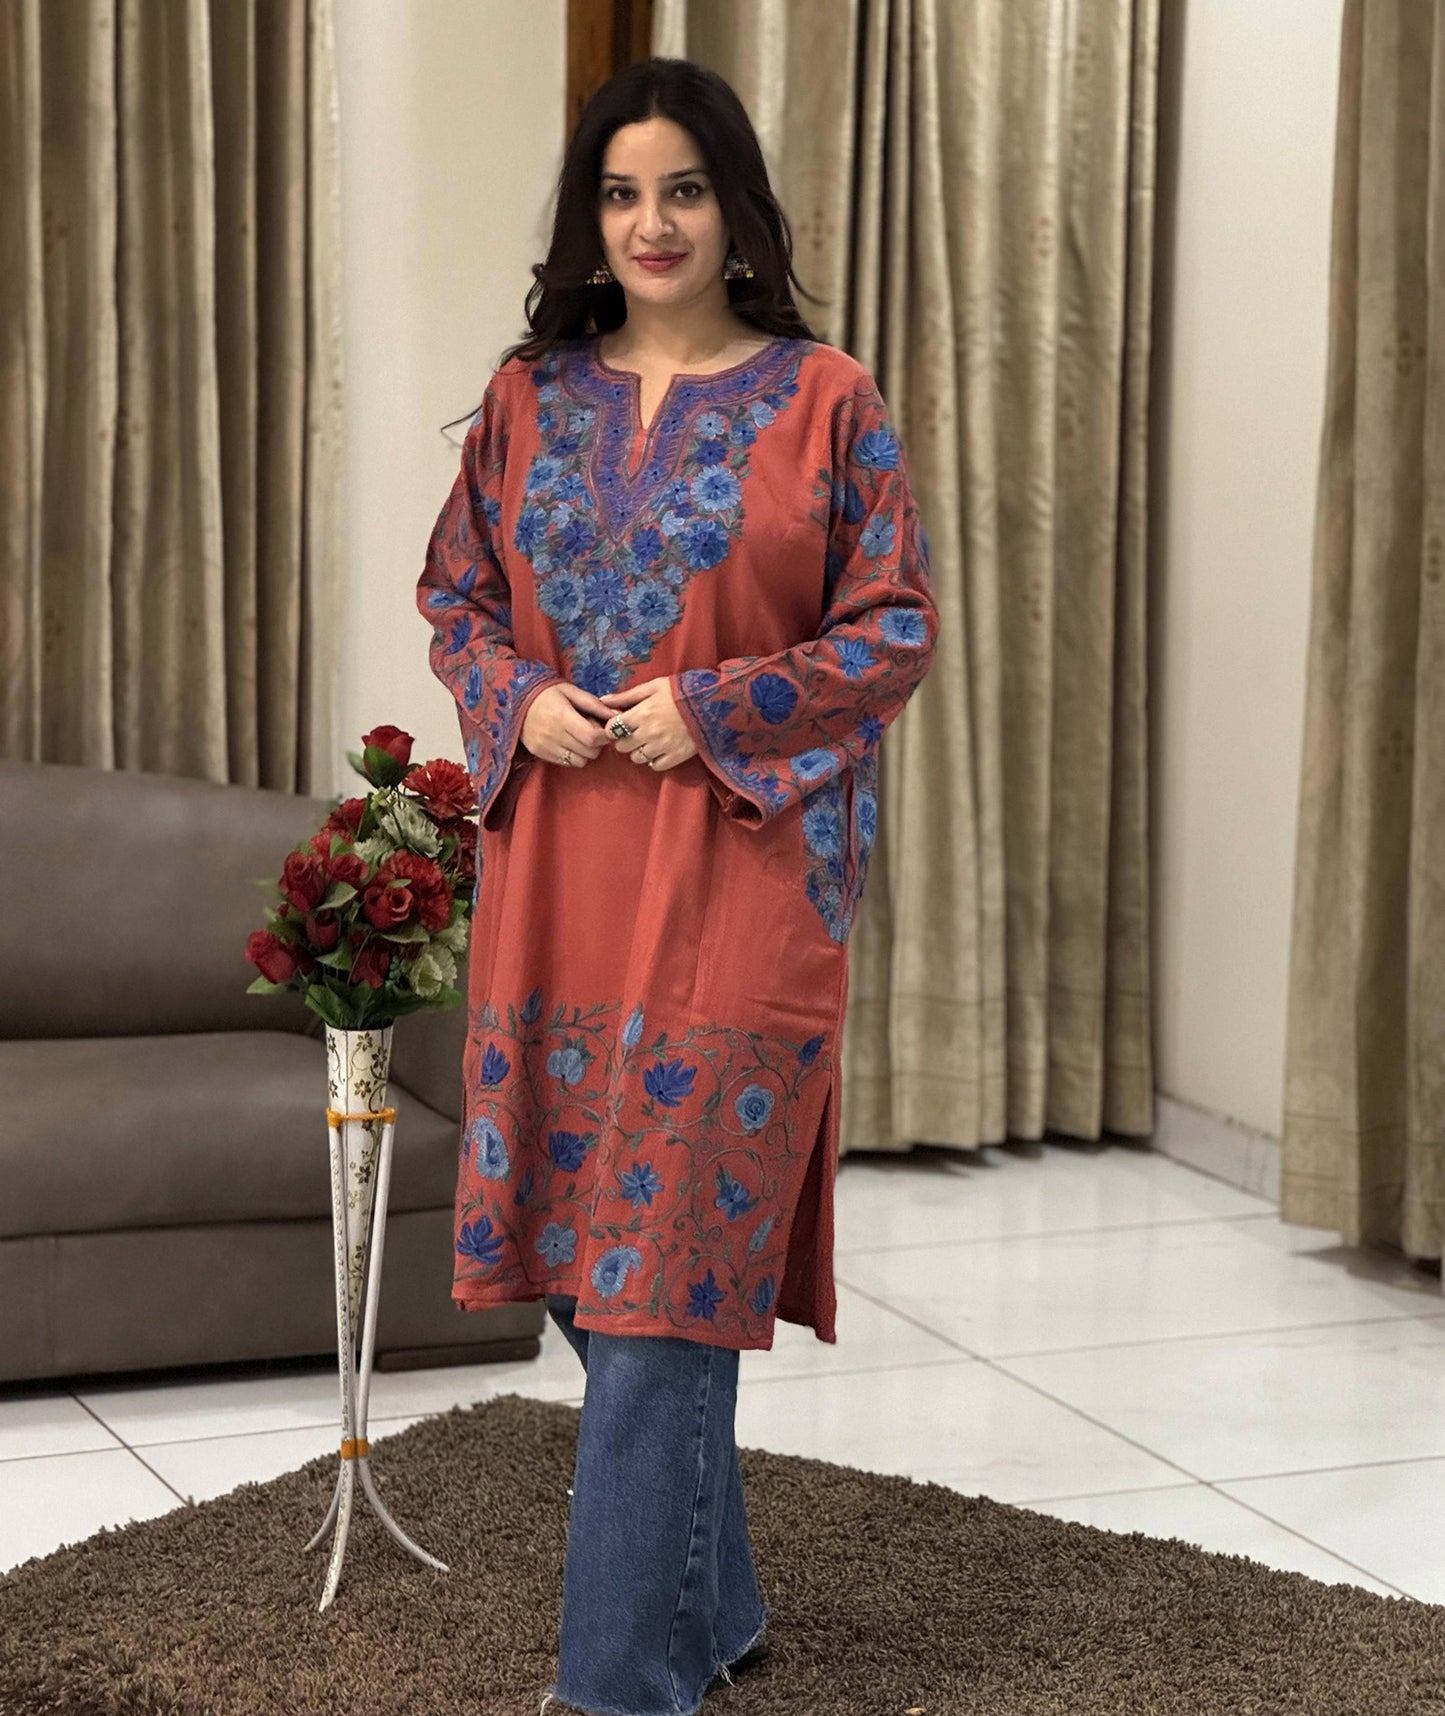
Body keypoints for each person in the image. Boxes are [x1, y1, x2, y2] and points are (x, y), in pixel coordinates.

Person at [416, 54, 939, 1716]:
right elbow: (455, 596)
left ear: (735, 209)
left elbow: (892, 629)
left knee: (660, 1291)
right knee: (594, 1272)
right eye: (621, 193)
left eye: (685, 190)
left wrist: (711, 710)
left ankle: (620, 1686)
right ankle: (712, 1603)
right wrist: (515, 698)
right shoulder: (528, 400)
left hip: (740, 882)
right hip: (559, 883)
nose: (652, 223)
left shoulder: (828, 399)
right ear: (590, 219)